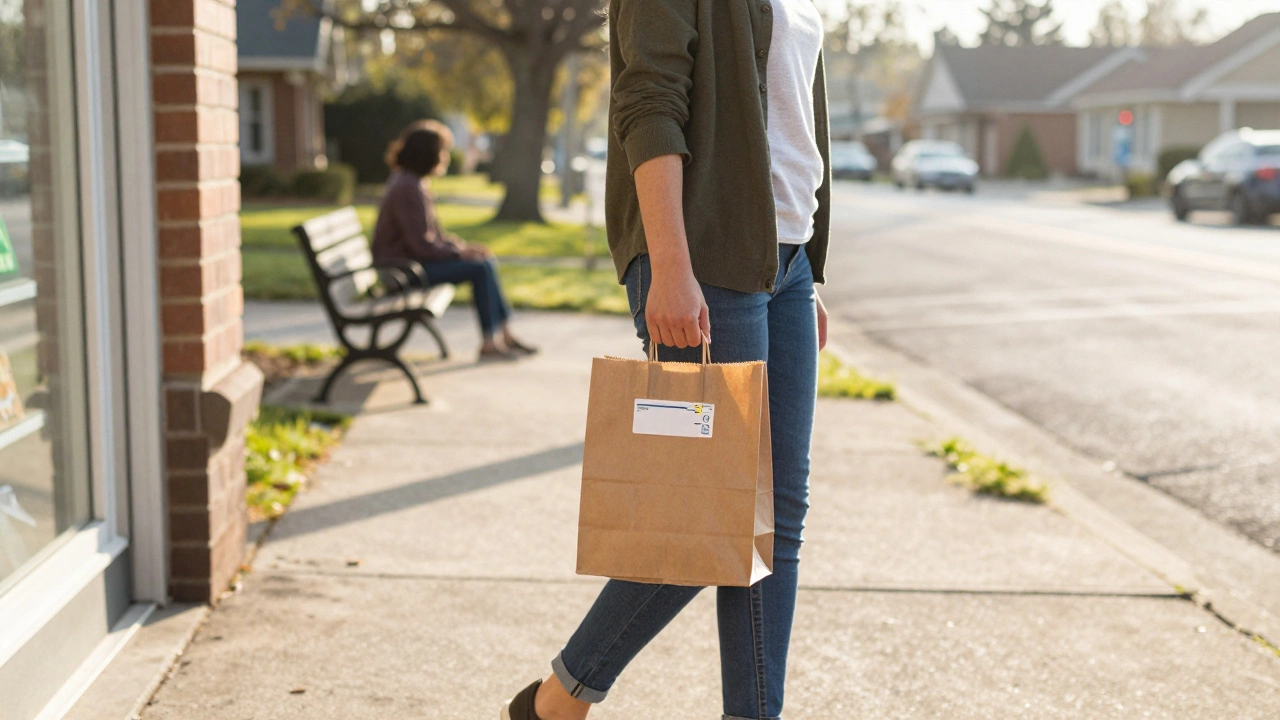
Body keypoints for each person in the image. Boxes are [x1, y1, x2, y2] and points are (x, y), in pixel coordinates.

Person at [501, 0, 831, 717]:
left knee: (780, 513)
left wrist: (807, 266)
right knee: (707, 513)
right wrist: (670, 266)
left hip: (787, 261)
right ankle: (563, 696)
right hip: (706, 255)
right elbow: (649, 101)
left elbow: (793, 119)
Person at [372, 121, 536, 360]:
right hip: (402, 272)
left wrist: (463, 248)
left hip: (411, 265)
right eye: (442, 150)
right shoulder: (407, 187)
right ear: (427, 154)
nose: (445, 157)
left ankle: (504, 335)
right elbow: (422, 246)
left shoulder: (414, 182)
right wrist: (460, 255)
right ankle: (491, 342)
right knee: (479, 269)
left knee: (484, 260)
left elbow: (434, 237)